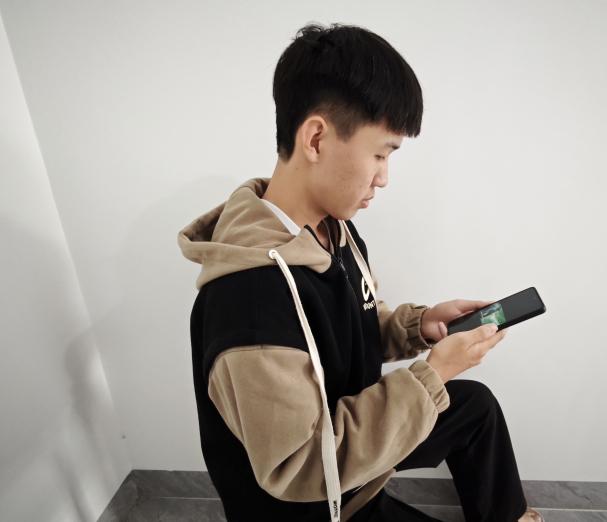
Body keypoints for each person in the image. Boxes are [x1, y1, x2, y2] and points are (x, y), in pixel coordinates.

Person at [177, 22, 543, 522]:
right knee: (441, 394)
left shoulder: (333, 229)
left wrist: (419, 326)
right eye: (380, 153)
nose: (384, 177)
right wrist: (433, 373)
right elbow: (302, 466)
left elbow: (345, 328)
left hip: (353, 449)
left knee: (473, 406)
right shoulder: (249, 298)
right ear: (317, 138)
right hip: (317, 500)